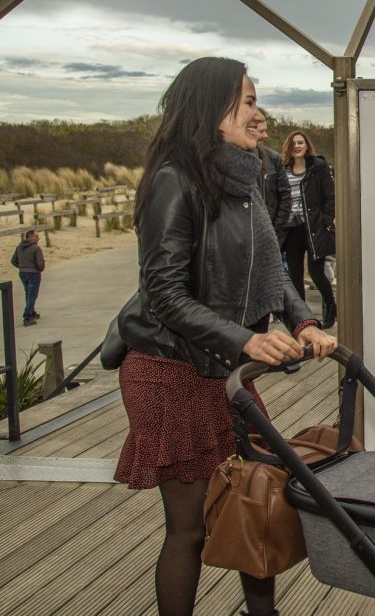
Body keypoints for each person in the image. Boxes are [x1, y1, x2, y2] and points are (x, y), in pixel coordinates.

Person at [114, 56, 337, 616]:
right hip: (170, 369)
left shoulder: (244, 178)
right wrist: (245, 339)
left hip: (225, 367)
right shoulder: (173, 181)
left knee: (251, 500)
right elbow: (164, 295)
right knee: (188, 528)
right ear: (213, 109)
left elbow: (271, 272)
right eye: (249, 102)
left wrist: (304, 321)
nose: (260, 114)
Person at [280, 130, 337, 328]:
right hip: (291, 229)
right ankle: (303, 318)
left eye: (300, 142)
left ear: (307, 146)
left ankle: (331, 307)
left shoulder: (318, 168)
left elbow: (330, 196)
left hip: (313, 228)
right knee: (295, 276)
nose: (296, 146)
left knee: (316, 273)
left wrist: (325, 220)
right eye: (293, 143)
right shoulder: (283, 170)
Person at [253, 107, 290, 244]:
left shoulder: (274, 158)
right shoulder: (228, 160)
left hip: (269, 237)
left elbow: (285, 197)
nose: (266, 136)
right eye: (261, 131)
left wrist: (274, 231)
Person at [11, 228, 44, 326]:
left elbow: (13, 261)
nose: (38, 238)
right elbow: (40, 264)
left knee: (28, 294)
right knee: (32, 295)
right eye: (36, 236)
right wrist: (38, 269)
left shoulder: (19, 247)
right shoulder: (36, 248)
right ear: (30, 237)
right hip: (33, 274)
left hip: (22, 273)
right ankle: (27, 316)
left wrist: (22, 267)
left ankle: (32, 312)